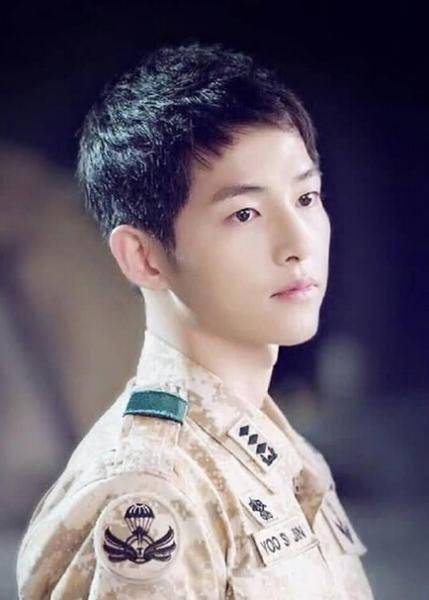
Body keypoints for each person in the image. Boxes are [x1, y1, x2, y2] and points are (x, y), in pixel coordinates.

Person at [16, 40, 374, 599]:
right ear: (144, 257)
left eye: (306, 198)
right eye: (245, 213)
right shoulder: (149, 494)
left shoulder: (284, 456)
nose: (298, 243)